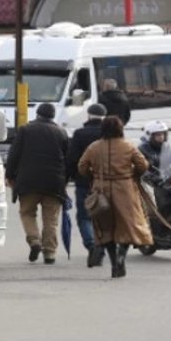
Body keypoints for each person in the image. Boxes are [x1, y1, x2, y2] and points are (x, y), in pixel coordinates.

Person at [78, 116, 153, 278]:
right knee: (126, 226)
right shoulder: (128, 146)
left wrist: (94, 176)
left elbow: (82, 167)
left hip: (101, 191)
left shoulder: (94, 147)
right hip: (125, 190)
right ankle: (121, 256)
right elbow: (143, 165)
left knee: (106, 228)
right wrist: (132, 175)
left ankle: (113, 262)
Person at [6, 103, 70, 264]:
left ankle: (34, 241)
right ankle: (49, 253)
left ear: (38, 114)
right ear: (53, 116)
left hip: (28, 181)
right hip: (54, 183)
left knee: (27, 213)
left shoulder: (25, 130)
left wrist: (9, 175)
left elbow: (14, 155)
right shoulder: (61, 133)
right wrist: (65, 181)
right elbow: (67, 160)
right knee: (50, 219)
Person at [67, 103, 107, 267]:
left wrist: (68, 177)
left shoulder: (80, 134)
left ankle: (92, 245)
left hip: (84, 182)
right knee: (105, 217)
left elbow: (72, 158)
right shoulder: (110, 135)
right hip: (108, 182)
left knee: (84, 216)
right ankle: (105, 245)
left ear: (88, 116)